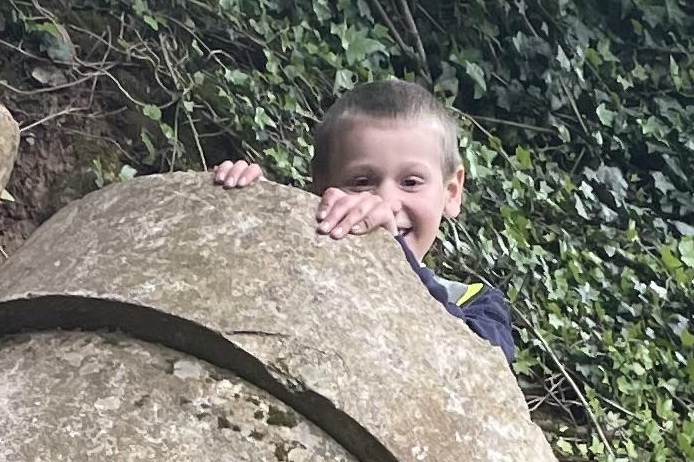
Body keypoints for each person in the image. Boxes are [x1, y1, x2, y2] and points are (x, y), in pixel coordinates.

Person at [214, 76, 516, 362]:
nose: (385, 203)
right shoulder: (295, 265)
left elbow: (478, 370)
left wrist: (392, 262)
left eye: (411, 182)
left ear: (451, 193)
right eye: (361, 182)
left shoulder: (478, 307)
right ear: (320, 189)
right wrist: (245, 207)